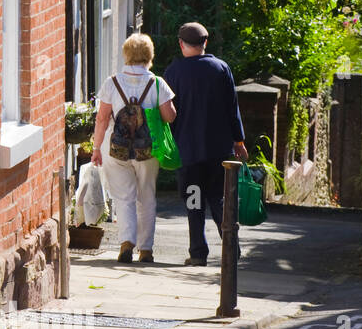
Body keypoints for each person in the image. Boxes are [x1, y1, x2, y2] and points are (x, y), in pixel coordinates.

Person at [162, 22, 249, 266]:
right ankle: (232, 250)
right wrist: (239, 140)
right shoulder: (221, 68)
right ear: (205, 43)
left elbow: (167, 113)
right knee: (220, 200)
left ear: (181, 44)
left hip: (188, 152)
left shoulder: (173, 72)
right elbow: (233, 109)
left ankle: (198, 253)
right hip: (219, 150)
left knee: (194, 202)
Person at [91, 33, 177, 264]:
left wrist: (96, 147)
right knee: (146, 196)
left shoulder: (112, 82)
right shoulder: (158, 83)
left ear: (126, 54)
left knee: (124, 197)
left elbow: (102, 118)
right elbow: (170, 116)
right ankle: (146, 249)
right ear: (149, 56)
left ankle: (126, 243)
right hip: (147, 151)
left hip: (116, 148)